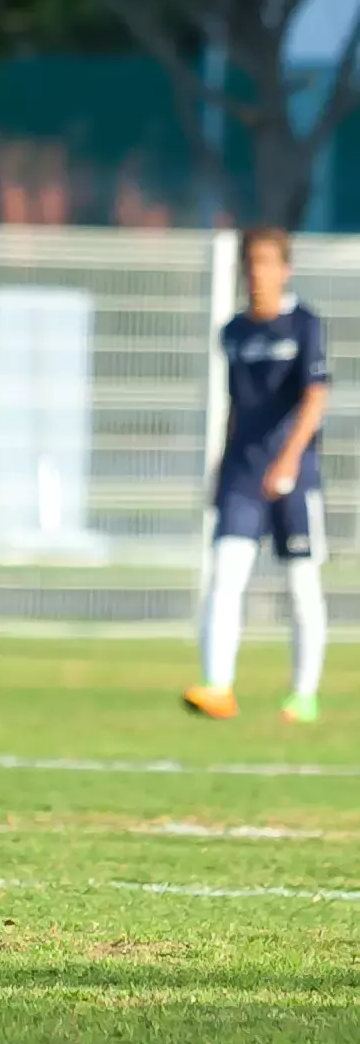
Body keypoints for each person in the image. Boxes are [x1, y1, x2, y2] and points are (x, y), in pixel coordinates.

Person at [185, 227, 331, 725]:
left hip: (294, 478)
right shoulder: (233, 332)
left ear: (285, 269)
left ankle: (303, 694)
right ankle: (217, 686)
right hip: (242, 478)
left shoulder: (304, 326)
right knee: (225, 576)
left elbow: (316, 397)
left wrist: (289, 459)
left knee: (301, 585)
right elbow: (234, 406)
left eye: (267, 262)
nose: (257, 273)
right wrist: (222, 469)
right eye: (251, 263)